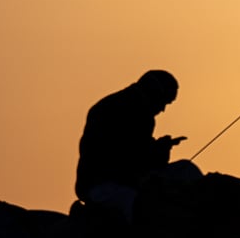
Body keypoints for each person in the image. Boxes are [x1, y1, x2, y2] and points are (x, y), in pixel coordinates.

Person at [74, 69, 201, 224]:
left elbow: (142, 155)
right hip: (102, 184)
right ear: (153, 94)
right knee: (138, 205)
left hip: (133, 179)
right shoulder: (109, 109)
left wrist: (160, 148)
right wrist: (155, 151)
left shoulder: (145, 116)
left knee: (186, 169)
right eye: (164, 102)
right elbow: (120, 156)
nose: (163, 109)